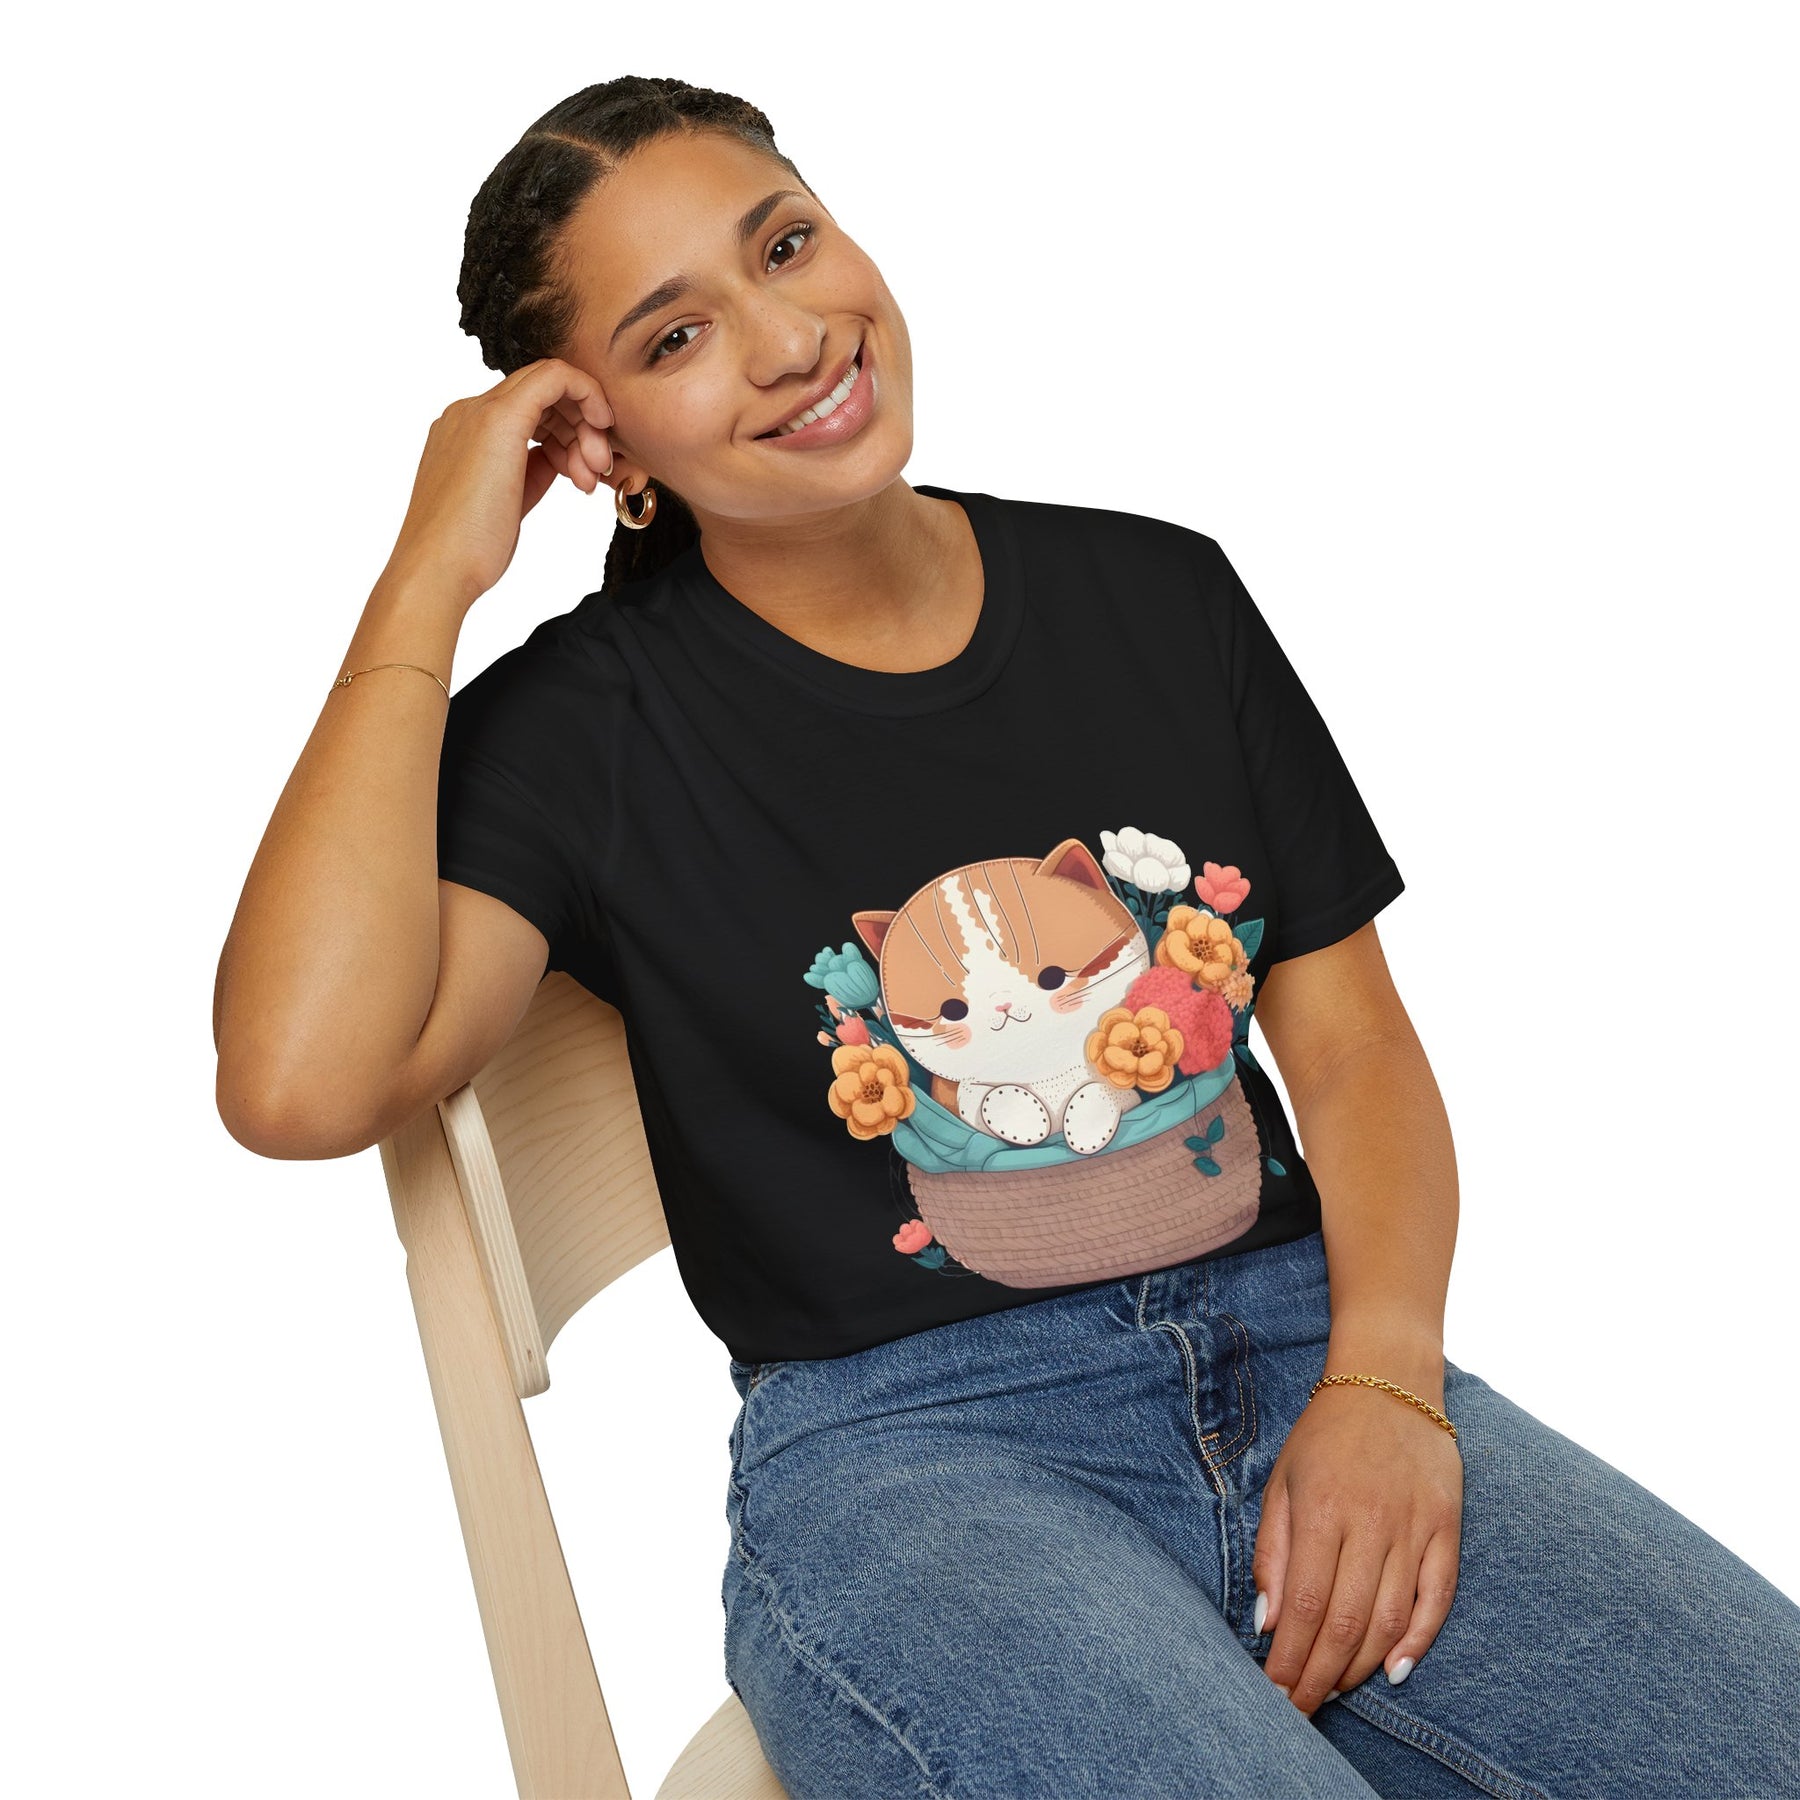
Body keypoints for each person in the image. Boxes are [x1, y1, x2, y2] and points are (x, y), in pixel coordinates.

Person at [213, 75, 1800, 1799]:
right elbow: (299, 1083)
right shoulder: (585, 728)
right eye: (676, 337)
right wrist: (427, 577)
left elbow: (1353, 1054)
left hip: (1309, 1348)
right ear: (606, 448)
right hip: (918, 1461)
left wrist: (1388, 1384)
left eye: (786, 246)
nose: (790, 340)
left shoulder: (1160, 596)